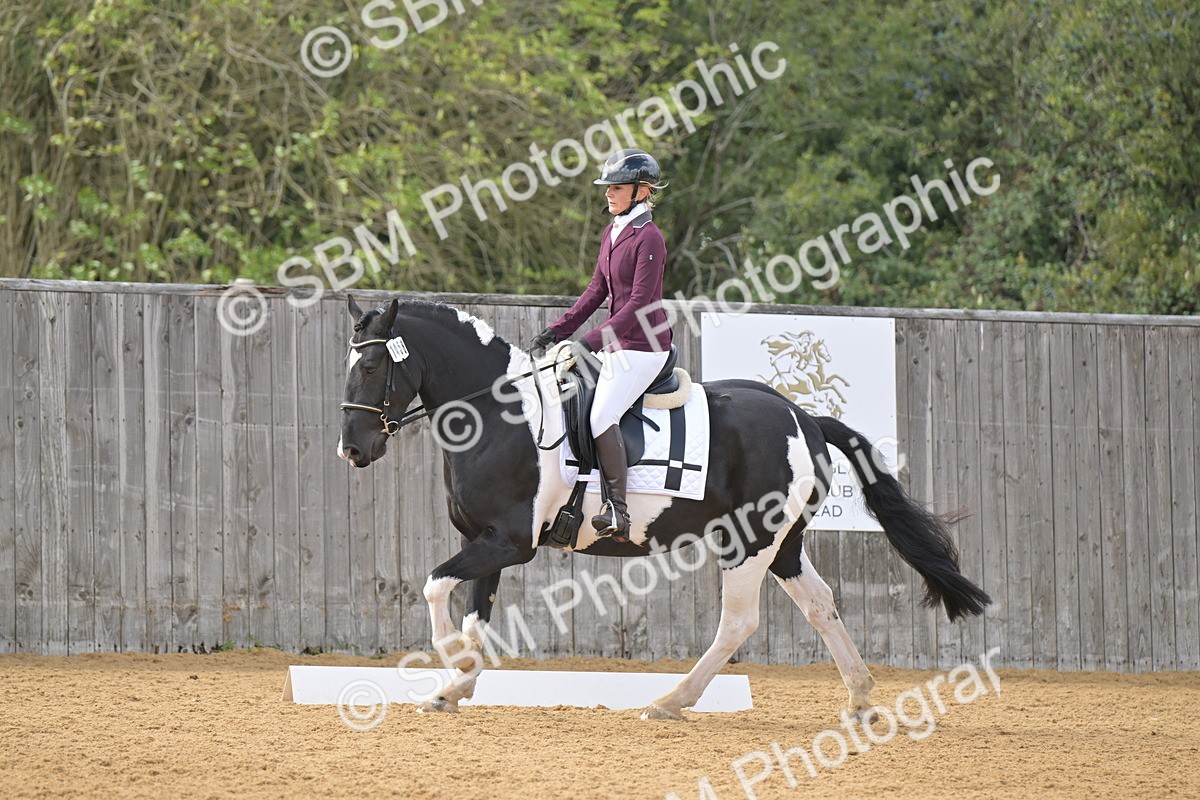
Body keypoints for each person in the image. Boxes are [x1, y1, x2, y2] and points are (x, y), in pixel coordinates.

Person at [529, 148, 673, 541]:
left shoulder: (650, 239)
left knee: (600, 416)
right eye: (607, 187)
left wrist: (589, 342)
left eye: (617, 188)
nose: (608, 194)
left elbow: (638, 304)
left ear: (642, 191)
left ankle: (617, 510)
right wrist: (556, 332)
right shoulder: (613, 231)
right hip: (617, 345)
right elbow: (596, 291)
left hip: (645, 346)